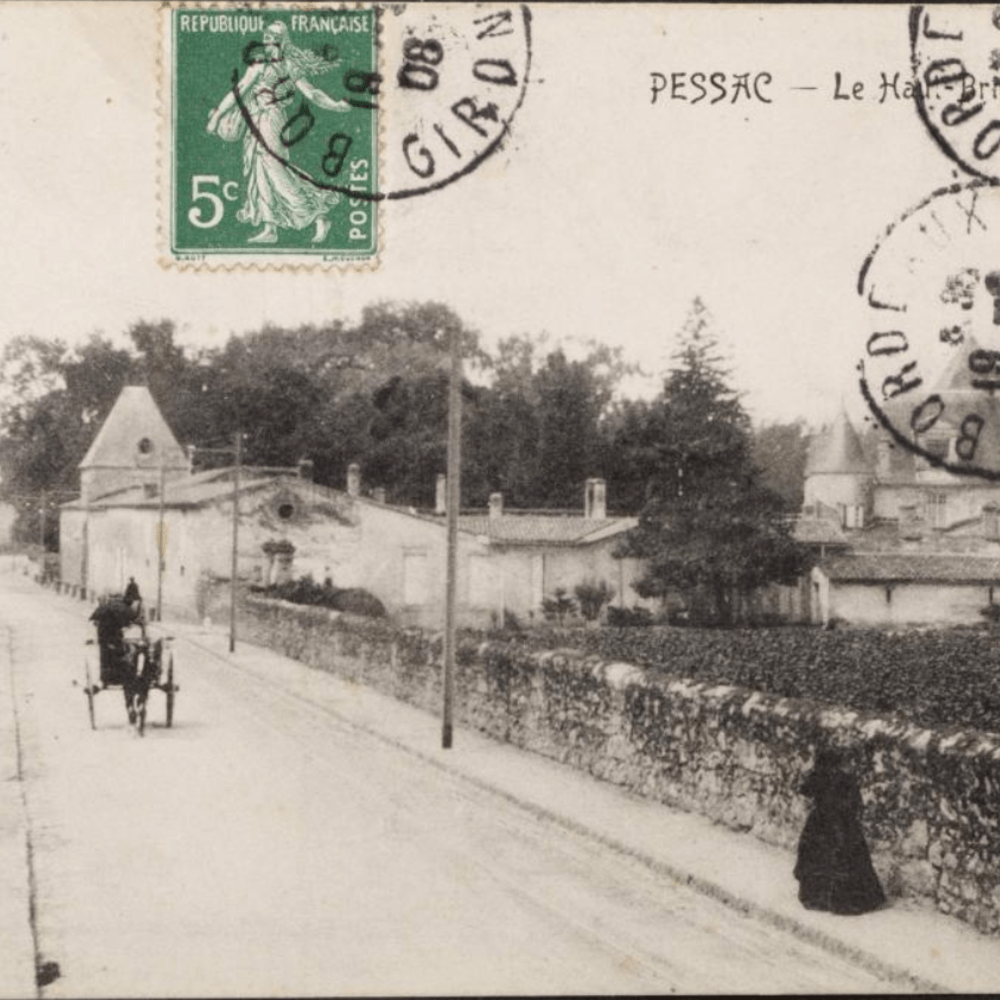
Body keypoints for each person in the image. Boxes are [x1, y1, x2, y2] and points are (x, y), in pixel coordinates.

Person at [206, 21, 350, 245]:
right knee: (260, 171)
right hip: (263, 119)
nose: (267, 41)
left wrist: (335, 106)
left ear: (281, 41)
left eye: (271, 37)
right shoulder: (268, 64)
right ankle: (270, 227)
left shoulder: (272, 65)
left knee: (276, 171)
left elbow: (311, 93)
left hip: (271, 121)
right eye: (266, 36)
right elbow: (241, 90)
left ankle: (317, 215)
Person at [794, 747, 886, 915]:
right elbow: (857, 803)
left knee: (817, 856)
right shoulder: (847, 779)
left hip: (821, 822)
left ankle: (817, 899)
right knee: (846, 858)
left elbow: (804, 790)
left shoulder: (818, 776)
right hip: (844, 824)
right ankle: (847, 901)